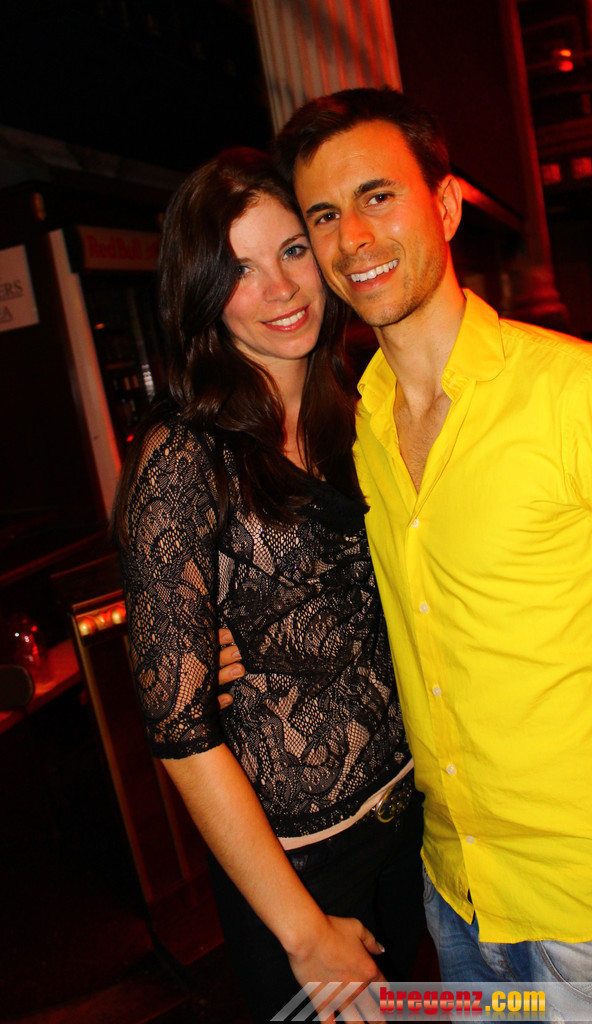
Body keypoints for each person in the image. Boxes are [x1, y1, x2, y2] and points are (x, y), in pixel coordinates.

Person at [269, 87, 592, 1012]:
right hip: (454, 894)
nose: (353, 238)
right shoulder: (356, 429)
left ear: (446, 206)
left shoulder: (586, 393)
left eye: (378, 196)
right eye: (324, 216)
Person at [113, 146, 424, 1023]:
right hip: (301, 868)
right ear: (202, 294)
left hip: (416, 822)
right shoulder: (183, 457)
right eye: (239, 269)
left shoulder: (364, 408)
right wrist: (301, 931)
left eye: (291, 250)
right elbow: (179, 731)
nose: (280, 289)